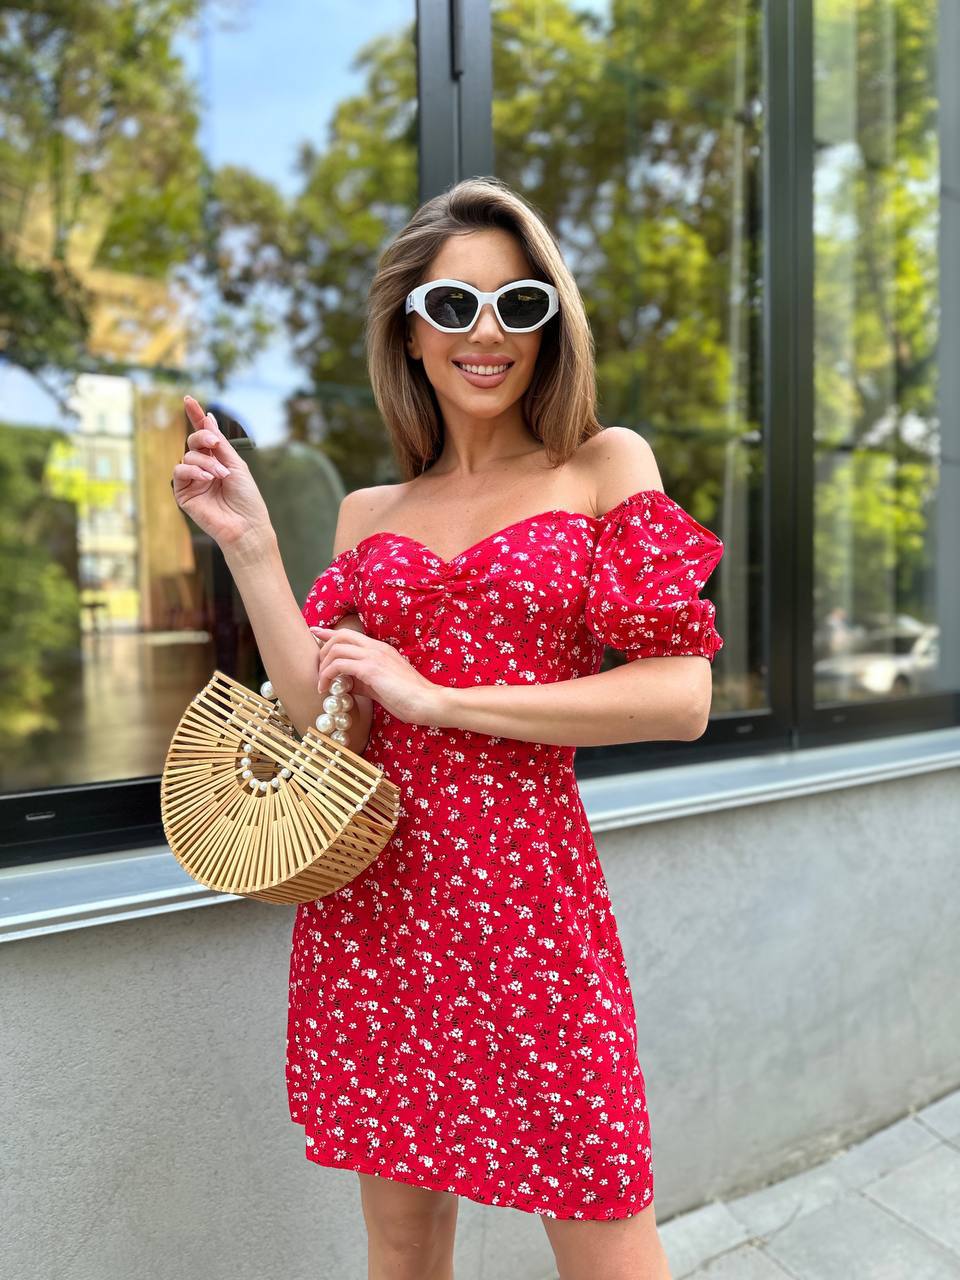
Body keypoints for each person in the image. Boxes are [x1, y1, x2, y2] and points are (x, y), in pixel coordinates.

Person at [172, 175, 724, 1280]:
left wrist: (440, 697)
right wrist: (255, 551)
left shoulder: (603, 462)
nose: (487, 333)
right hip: (378, 906)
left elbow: (678, 695)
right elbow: (321, 719)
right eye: (453, 306)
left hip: (530, 902)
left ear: (549, 325)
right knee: (403, 1237)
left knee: (606, 1222)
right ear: (410, 332)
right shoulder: (370, 513)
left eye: (520, 306)